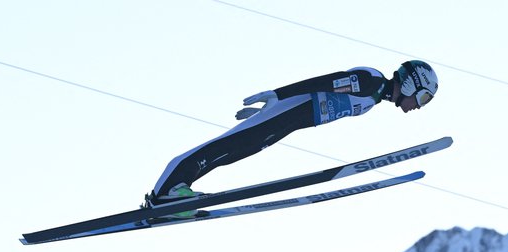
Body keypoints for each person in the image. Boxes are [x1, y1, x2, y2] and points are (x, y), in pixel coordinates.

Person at [145, 60, 439, 217]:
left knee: (232, 153)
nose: (419, 106)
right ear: (413, 83)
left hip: (291, 122)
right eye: (423, 97)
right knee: (224, 146)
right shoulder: (371, 81)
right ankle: (165, 191)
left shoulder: (374, 99)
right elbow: (325, 82)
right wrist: (278, 96)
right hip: (290, 110)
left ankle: (177, 196)